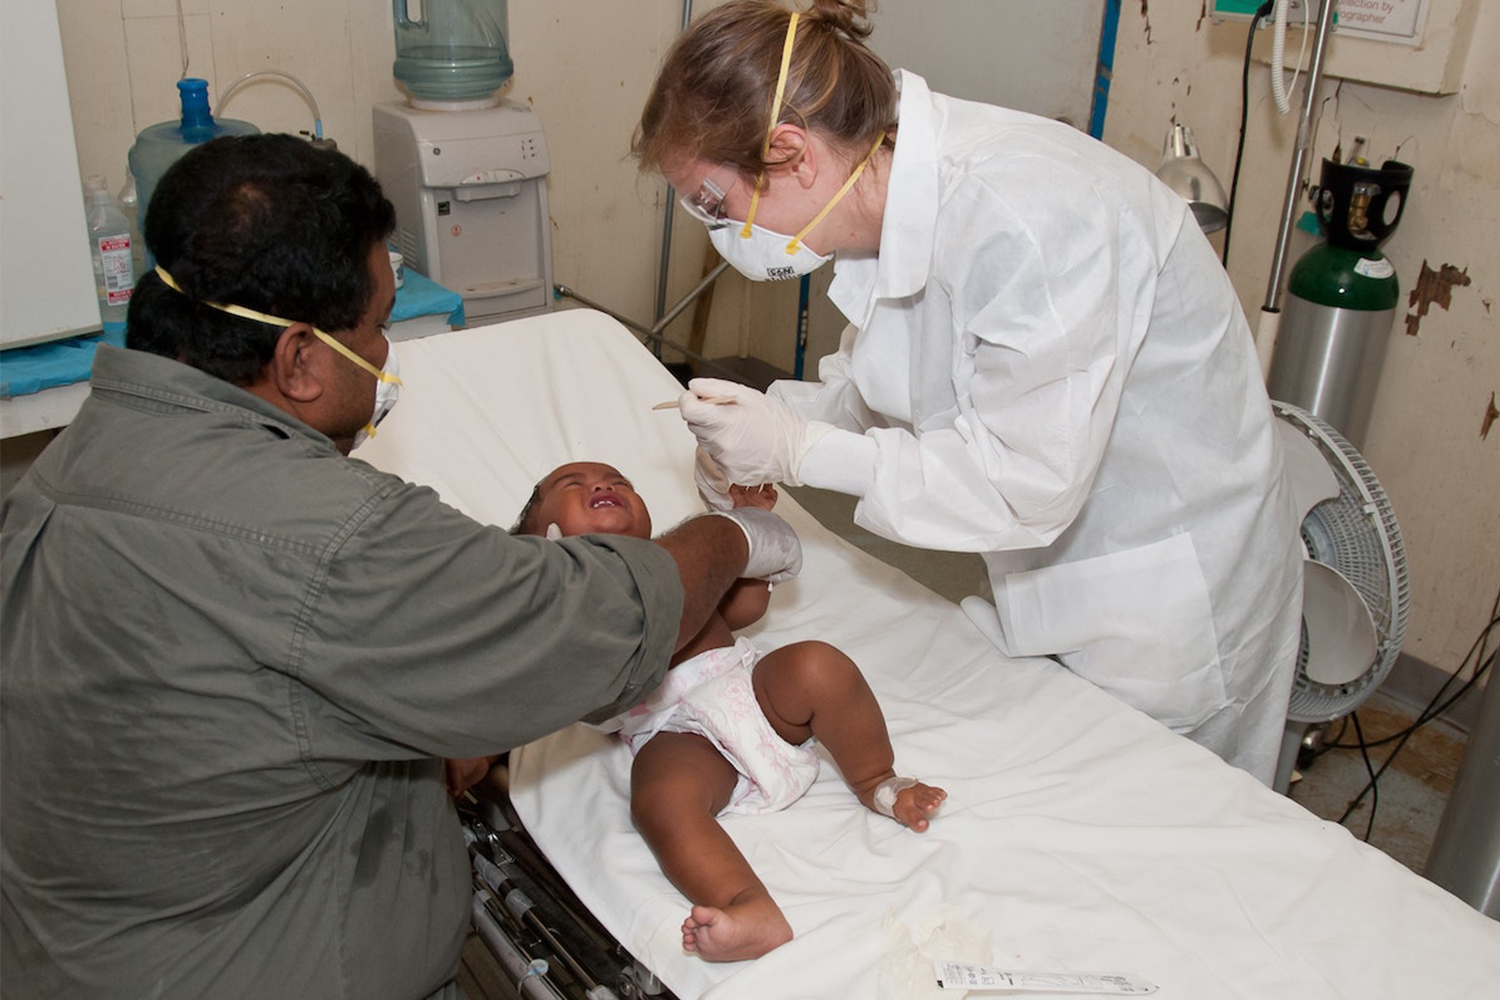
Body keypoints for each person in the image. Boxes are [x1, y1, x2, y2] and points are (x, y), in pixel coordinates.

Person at [0, 134, 802, 1000]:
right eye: (379, 326)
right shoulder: (325, 534)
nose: (385, 355)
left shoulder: (66, 468)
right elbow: (598, 622)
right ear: (298, 360)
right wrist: (736, 536)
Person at [633, 0, 1305, 785]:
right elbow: (882, 380)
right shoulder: (878, 200)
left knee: (1169, 812)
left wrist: (798, 449)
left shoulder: (1029, 218)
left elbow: (1023, 483)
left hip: (1167, 598)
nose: (717, 230)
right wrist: (769, 430)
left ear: (791, 153)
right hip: (1051, 576)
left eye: (713, 204)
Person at [513, 461, 946, 962]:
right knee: (660, 798)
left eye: (619, 482)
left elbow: (746, 607)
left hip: (753, 692)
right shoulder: (560, 611)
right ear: (538, 541)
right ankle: (746, 904)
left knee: (817, 665)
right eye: (573, 485)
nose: (603, 485)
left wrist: (748, 525)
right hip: (677, 733)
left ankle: (876, 780)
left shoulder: (674, 568)